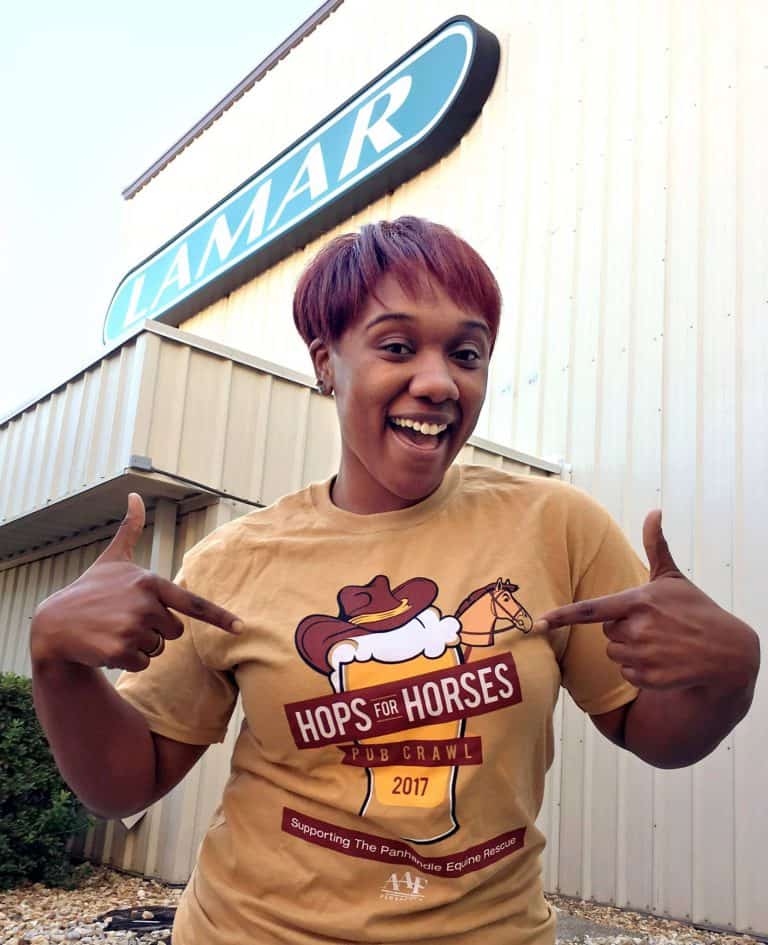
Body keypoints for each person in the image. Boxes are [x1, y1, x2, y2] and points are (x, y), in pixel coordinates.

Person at [30, 217, 760, 945]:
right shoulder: (236, 558)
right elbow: (126, 781)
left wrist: (728, 676)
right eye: (398, 346)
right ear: (325, 362)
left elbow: (651, 731)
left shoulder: (556, 526)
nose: (440, 382)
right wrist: (57, 663)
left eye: (467, 354)